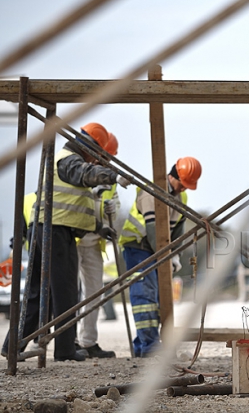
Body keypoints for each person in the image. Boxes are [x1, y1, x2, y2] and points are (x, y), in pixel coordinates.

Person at [1, 122, 130, 362]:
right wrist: (114, 175)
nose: (96, 160)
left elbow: (73, 207)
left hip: (52, 231)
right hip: (55, 234)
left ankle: (12, 346)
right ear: (90, 146)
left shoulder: (66, 157)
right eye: (98, 154)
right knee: (65, 294)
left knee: (41, 295)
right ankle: (65, 351)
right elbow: (82, 174)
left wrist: (98, 228)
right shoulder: (68, 160)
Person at [118, 157, 201, 358]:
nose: (184, 189)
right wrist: (167, 256)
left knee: (156, 297)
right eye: (182, 184)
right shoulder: (151, 192)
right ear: (173, 176)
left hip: (159, 250)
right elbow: (154, 230)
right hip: (138, 247)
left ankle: (144, 345)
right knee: (144, 296)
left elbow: (178, 232)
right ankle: (150, 346)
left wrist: (176, 255)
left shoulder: (181, 198)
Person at [76, 132, 120, 358]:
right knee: (68, 294)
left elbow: (114, 207)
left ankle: (87, 342)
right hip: (74, 238)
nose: (106, 162)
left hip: (94, 241)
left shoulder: (108, 178)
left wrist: (112, 208)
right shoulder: (78, 169)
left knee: (94, 293)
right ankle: (69, 341)